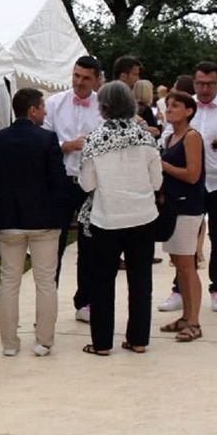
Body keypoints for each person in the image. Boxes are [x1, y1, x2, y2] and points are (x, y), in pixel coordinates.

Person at [0, 88, 68, 357]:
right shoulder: (47, 139)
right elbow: (59, 181)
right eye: (42, 108)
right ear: (32, 110)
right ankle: (44, 341)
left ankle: (8, 343)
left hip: (9, 217)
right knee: (45, 281)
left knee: (9, 281)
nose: (45, 112)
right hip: (43, 218)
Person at [78, 81, 162, 355]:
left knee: (103, 281)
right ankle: (138, 339)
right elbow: (157, 182)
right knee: (141, 282)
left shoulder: (94, 139)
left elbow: (87, 185)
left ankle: (102, 343)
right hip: (143, 217)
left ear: (102, 108)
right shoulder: (147, 137)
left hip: (107, 219)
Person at [161, 63, 217, 314]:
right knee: (183, 240)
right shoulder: (186, 105)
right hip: (188, 185)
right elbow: (166, 134)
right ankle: (179, 289)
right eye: (200, 83)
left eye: (210, 84)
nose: (205, 89)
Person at [43, 55, 105, 321]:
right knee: (51, 244)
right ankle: (47, 305)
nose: (79, 82)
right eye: (76, 76)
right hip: (61, 183)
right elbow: (42, 145)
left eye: (85, 78)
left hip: (92, 185)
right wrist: (66, 146)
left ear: (97, 80)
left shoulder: (104, 107)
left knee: (89, 244)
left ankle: (85, 302)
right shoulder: (54, 103)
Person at [157, 91, 207, 342]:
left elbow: (192, 174)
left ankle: (195, 321)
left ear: (189, 110)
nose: (170, 109)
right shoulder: (169, 138)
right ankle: (186, 316)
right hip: (172, 206)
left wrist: (162, 166)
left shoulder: (191, 137)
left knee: (187, 266)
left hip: (188, 207)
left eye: (175, 105)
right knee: (179, 264)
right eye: (168, 105)